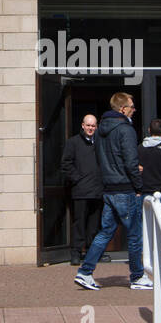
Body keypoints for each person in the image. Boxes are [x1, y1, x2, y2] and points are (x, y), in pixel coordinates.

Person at [76, 92, 149, 291]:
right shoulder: (126, 130)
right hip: (125, 189)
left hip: (108, 188)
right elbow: (130, 160)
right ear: (123, 109)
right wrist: (138, 186)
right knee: (134, 235)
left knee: (105, 232)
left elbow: (102, 159)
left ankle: (85, 272)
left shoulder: (100, 132)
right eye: (132, 107)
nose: (134, 110)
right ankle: (137, 276)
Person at [60, 114, 103, 267]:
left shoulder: (100, 143)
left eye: (93, 126)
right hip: (81, 191)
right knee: (79, 223)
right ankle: (76, 253)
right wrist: (78, 179)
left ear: (96, 127)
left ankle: (92, 253)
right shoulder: (73, 143)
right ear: (83, 125)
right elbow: (66, 164)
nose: (91, 128)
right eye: (88, 125)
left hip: (97, 190)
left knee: (94, 224)